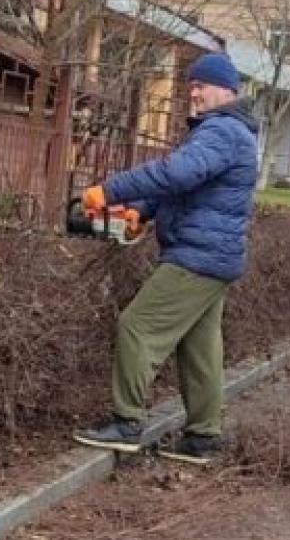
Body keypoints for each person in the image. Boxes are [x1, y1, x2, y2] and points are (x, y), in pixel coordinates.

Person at [71, 53, 258, 465]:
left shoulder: (223, 131)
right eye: (190, 85)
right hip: (214, 256)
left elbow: (178, 174)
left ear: (227, 89)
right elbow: (185, 188)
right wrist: (141, 210)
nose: (194, 91)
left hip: (197, 256)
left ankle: (126, 424)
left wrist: (111, 191)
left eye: (202, 84)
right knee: (200, 348)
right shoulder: (226, 132)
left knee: (137, 326)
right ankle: (202, 439)